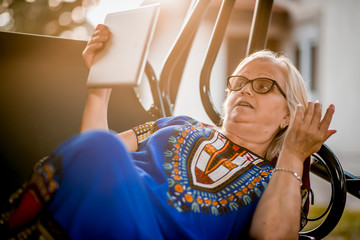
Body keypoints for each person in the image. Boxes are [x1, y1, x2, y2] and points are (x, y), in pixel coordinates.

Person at [1, 24, 336, 240]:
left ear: (287, 115)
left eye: (263, 86)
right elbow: (91, 153)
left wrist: (293, 153)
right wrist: (102, 84)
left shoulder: (278, 180)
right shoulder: (180, 123)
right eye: (238, 83)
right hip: (104, 204)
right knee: (97, 148)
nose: (245, 91)